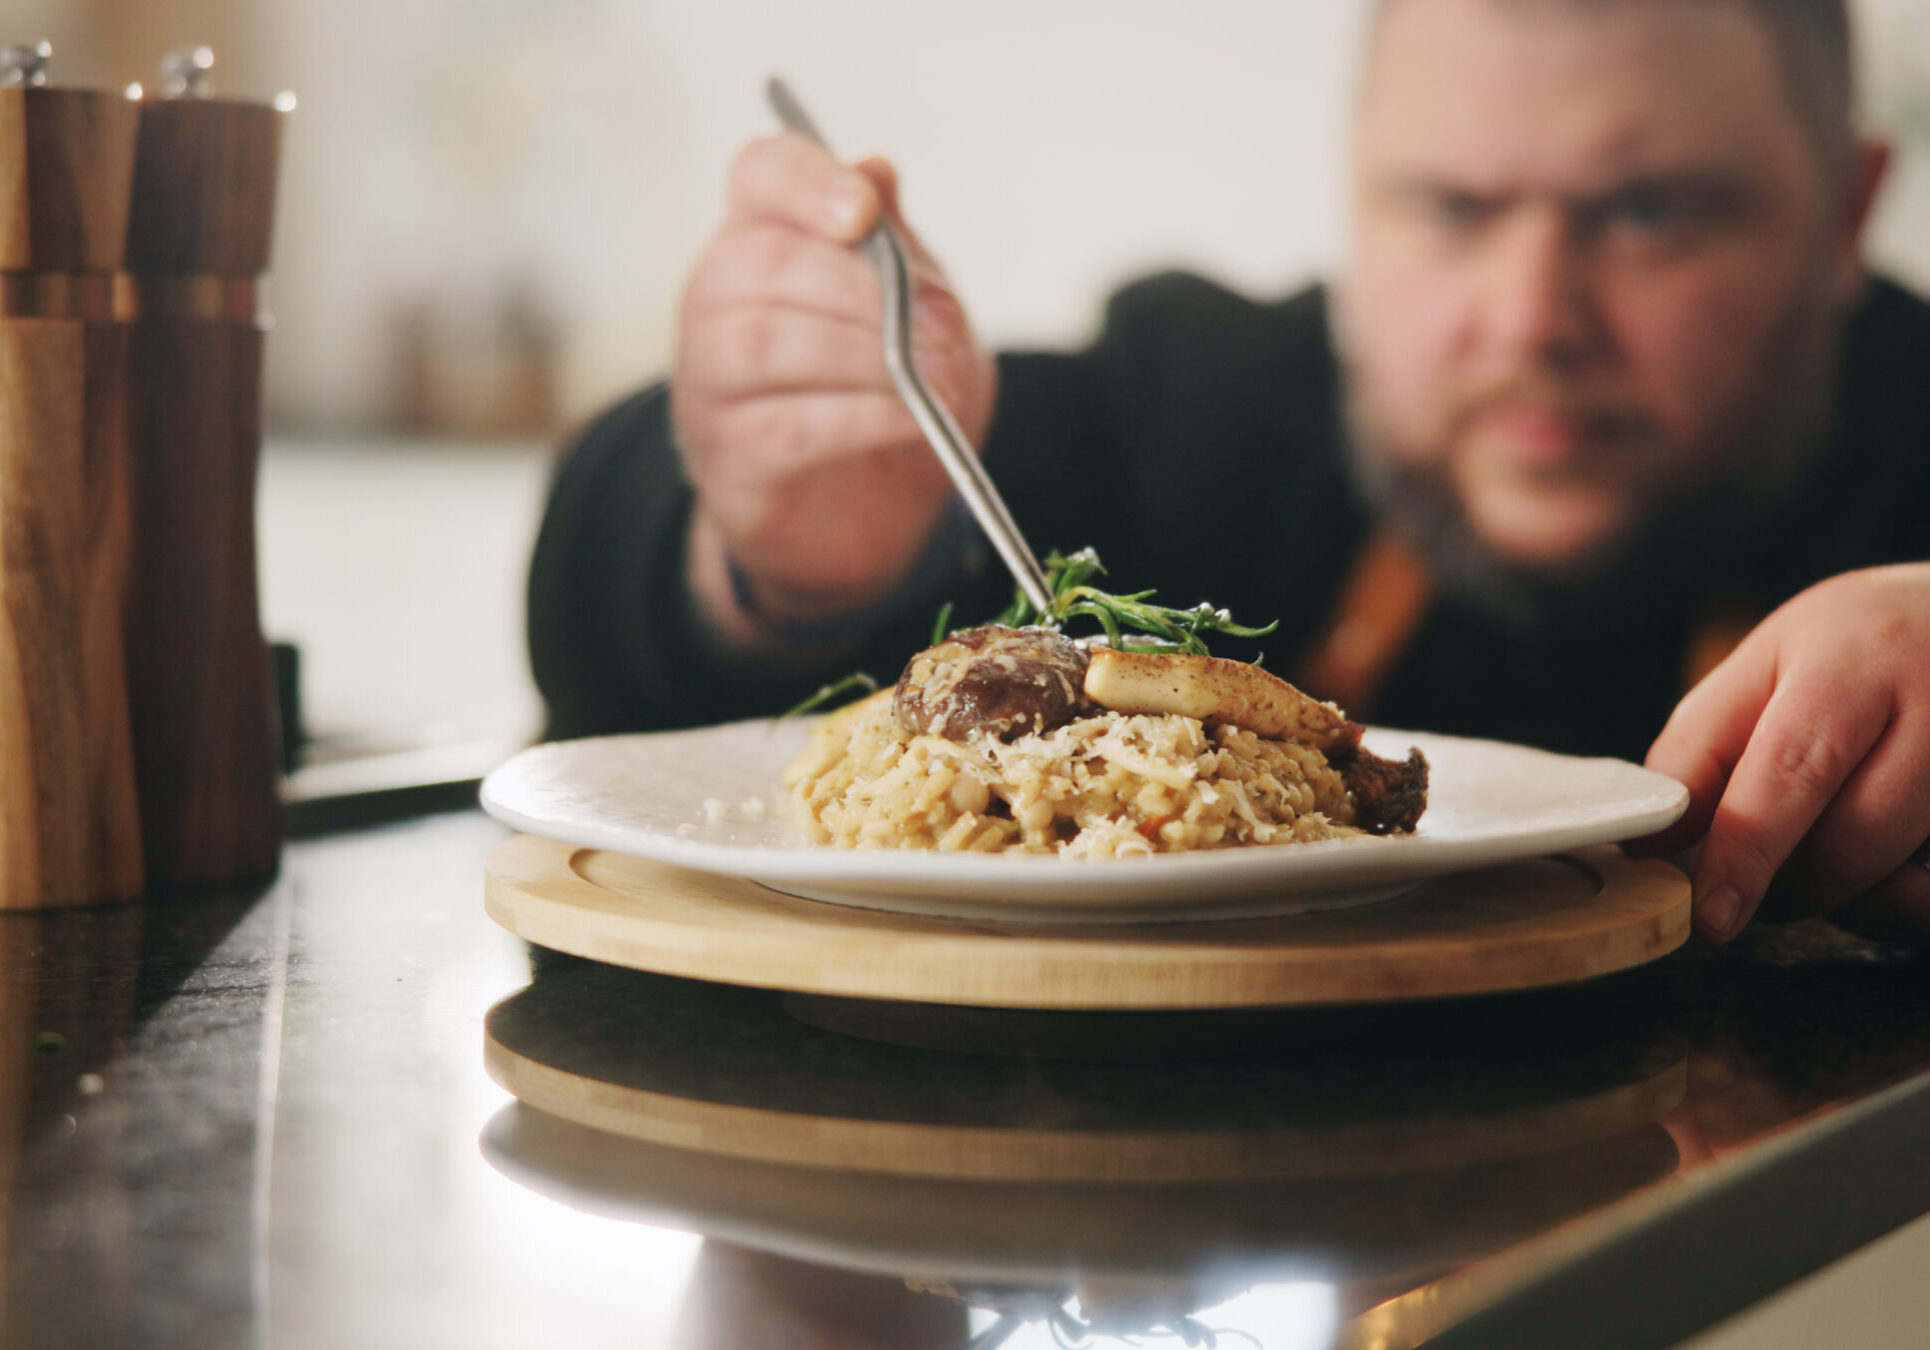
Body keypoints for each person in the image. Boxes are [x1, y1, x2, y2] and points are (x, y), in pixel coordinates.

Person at [528, 0, 1930, 945]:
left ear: (1844, 214)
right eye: (1451, 208)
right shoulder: (1201, 408)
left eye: (1649, 213)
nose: (1530, 320)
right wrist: (779, 557)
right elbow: (606, 575)